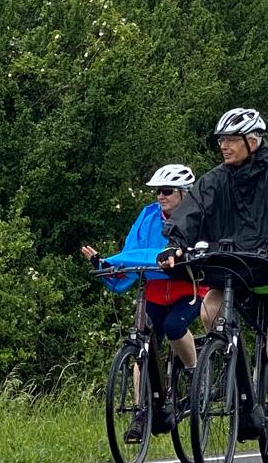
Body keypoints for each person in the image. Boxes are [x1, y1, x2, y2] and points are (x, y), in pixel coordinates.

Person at [163, 108, 268, 459]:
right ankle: (234, 375)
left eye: (231, 140)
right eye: (221, 140)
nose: (224, 146)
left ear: (253, 141)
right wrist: (175, 245)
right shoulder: (216, 179)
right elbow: (193, 210)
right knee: (209, 312)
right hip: (234, 271)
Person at [82, 164, 201, 442]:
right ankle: (141, 411)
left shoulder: (196, 216)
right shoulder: (148, 216)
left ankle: (195, 375)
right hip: (155, 288)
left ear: (184, 193)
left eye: (167, 191)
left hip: (187, 287)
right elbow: (132, 252)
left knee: (174, 326)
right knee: (143, 345)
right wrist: (107, 263)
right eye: (158, 191)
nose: (161, 196)